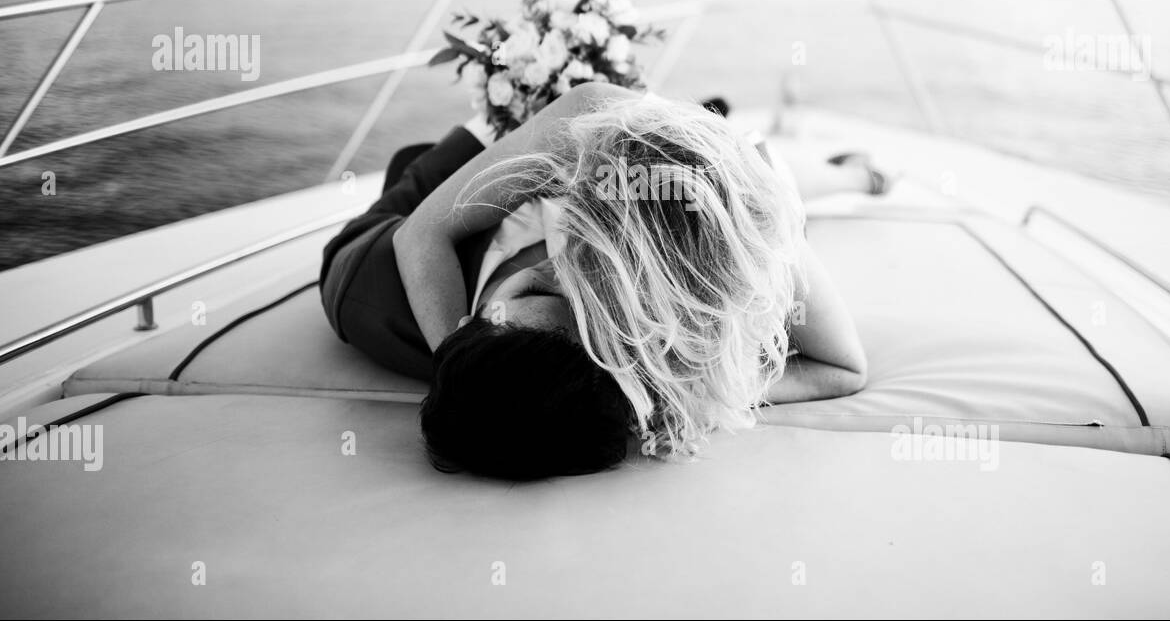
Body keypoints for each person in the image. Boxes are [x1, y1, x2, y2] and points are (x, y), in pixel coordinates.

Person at [322, 82, 868, 477]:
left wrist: (455, 361)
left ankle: (683, 115)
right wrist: (679, 397)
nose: (563, 274)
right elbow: (842, 367)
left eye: (535, 293)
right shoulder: (661, 312)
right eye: (585, 313)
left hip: (375, 247)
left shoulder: (370, 301)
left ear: (468, 322)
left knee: (490, 134)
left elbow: (418, 238)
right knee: (764, 180)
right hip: (679, 189)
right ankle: (853, 174)